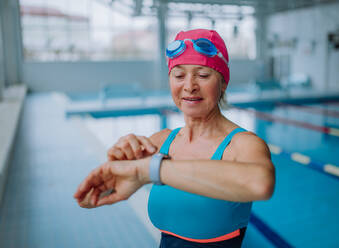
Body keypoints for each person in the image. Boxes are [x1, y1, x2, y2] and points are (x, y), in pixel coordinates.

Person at [74, 29, 275, 248]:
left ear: (223, 82)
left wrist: (150, 170)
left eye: (203, 75)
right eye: (179, 75)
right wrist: (113, 173)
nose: (189, 86)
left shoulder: (242, 144)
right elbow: (88, 199)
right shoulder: (159, 143)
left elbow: (260, 183)